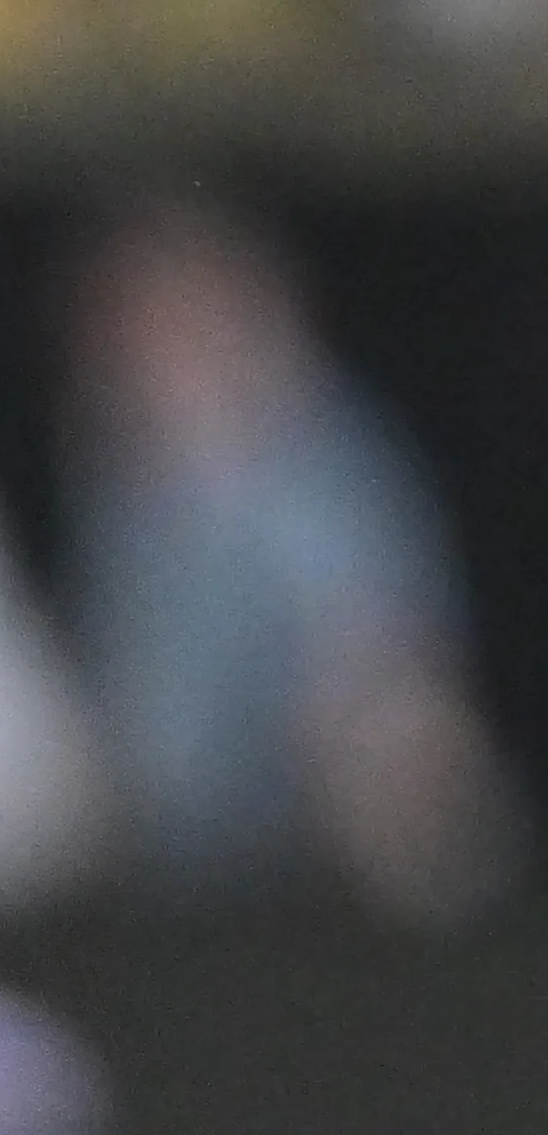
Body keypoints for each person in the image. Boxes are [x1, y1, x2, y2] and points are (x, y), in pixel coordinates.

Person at [72, 200, 518, 923]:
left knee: (398, 750)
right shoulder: (125, 479)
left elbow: (386, 671)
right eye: (142, 321)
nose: (163, 345)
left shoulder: (322, 470)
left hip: (308, 845)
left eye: (192, 316)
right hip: (160, 856)